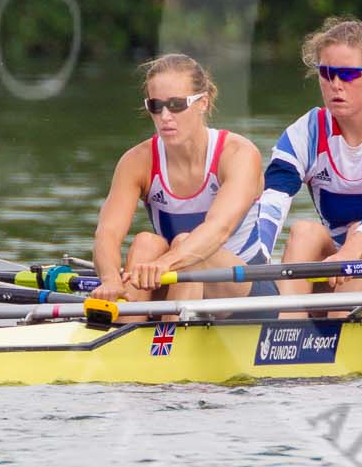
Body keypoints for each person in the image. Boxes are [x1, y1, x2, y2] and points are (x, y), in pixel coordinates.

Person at [249, 16, 362, 298]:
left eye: (348, 74)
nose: (336, 84)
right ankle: (282, 330)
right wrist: (257, 263)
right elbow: (271, 204)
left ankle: (341, 327)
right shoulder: (305, 133)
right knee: (303, 232)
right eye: (326, 73)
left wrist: (350, 253)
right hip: (342, 270)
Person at [91, 54, 263, 303]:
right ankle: (123, 318)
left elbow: (219, 230)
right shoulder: (137, 161)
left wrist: (165, 263)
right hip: (176, 276)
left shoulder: (238, 153)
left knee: (185, 245)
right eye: (156, 106)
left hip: (246, 289)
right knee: (145, 243)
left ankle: (166, 332)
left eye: (176, 105)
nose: (165, 116)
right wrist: (109, 279)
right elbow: (107, 234)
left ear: (203, 102)